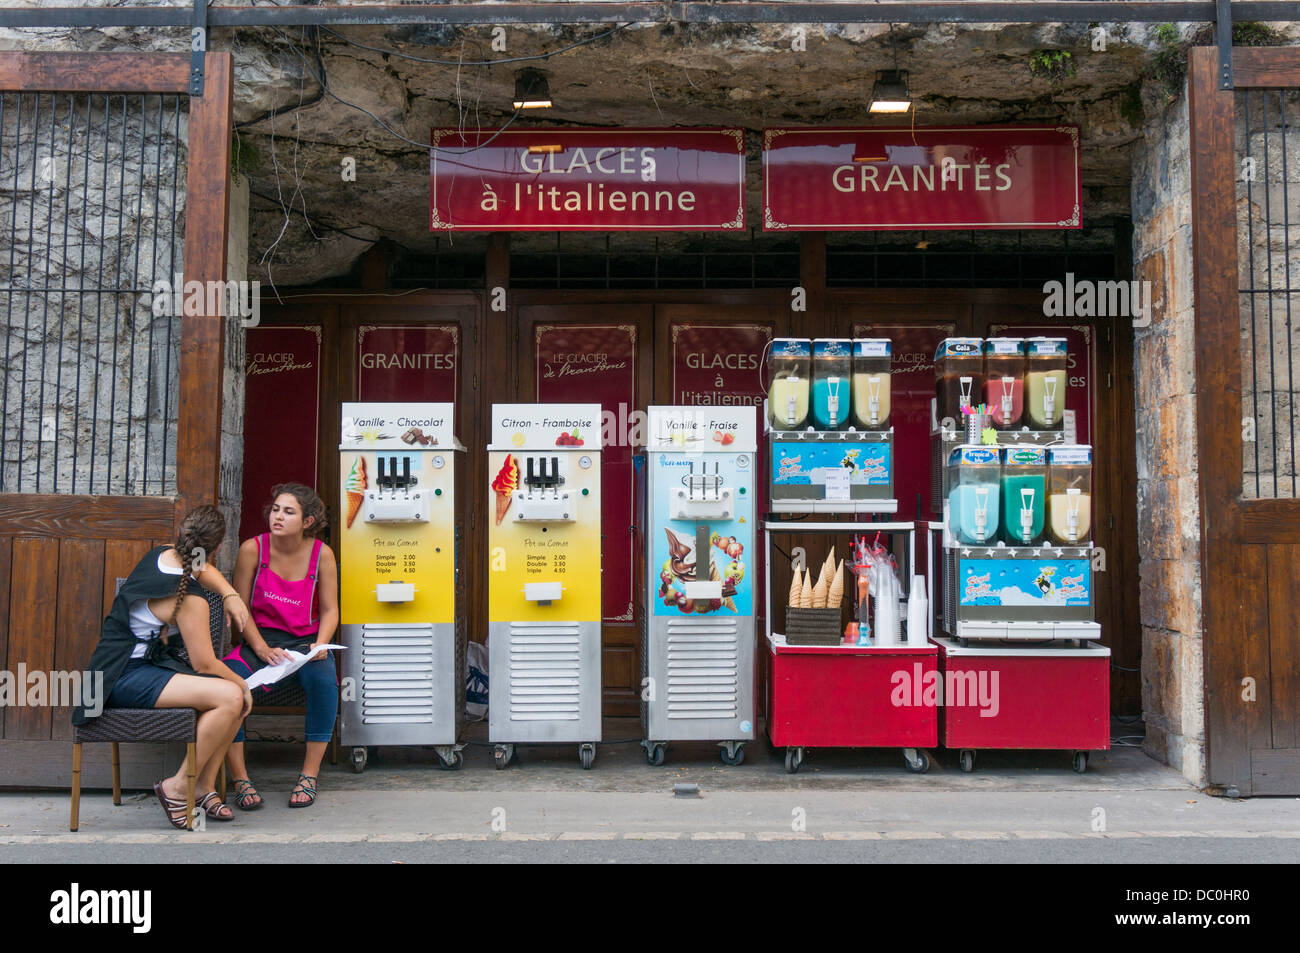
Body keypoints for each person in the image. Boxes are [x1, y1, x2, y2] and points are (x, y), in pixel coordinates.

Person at [72, 505, 253, 829]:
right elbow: (205, 663)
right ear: (217, 549)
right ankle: (178, 787)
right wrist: (242, 681)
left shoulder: (161, 555)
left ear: (182, 536)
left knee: (231, 698)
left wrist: (228, 593)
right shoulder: (191, 600)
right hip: (121, 678)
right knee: (231, 697)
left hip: (124, 670)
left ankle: (202, 786)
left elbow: (202, 568)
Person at [222, 482, 339, 809]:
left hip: (304, 645)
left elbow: (330, 610)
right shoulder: (252, 549)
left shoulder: (322, 554)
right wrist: (259, 648)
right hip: (258, 641)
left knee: (324, 682)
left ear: (307, 522)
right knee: (228, 683)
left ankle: (309, 774)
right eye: (276, 509)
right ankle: (240, 778)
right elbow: (239, 607)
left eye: (289, 512)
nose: (278, 516)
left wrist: (321, 644)